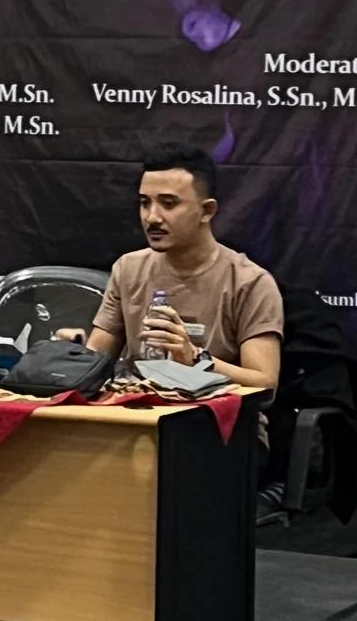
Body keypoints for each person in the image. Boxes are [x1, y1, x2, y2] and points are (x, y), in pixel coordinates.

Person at [60, 143, 283, 470]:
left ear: (207, 211)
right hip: (139, 422)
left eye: (169, 204)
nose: (152, 217)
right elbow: (97, 359)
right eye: (144, 203)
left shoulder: (249, 282)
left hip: (221, 433)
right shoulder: (128, 269)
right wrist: (73, 353)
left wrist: (195, 360)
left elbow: (264, 384)